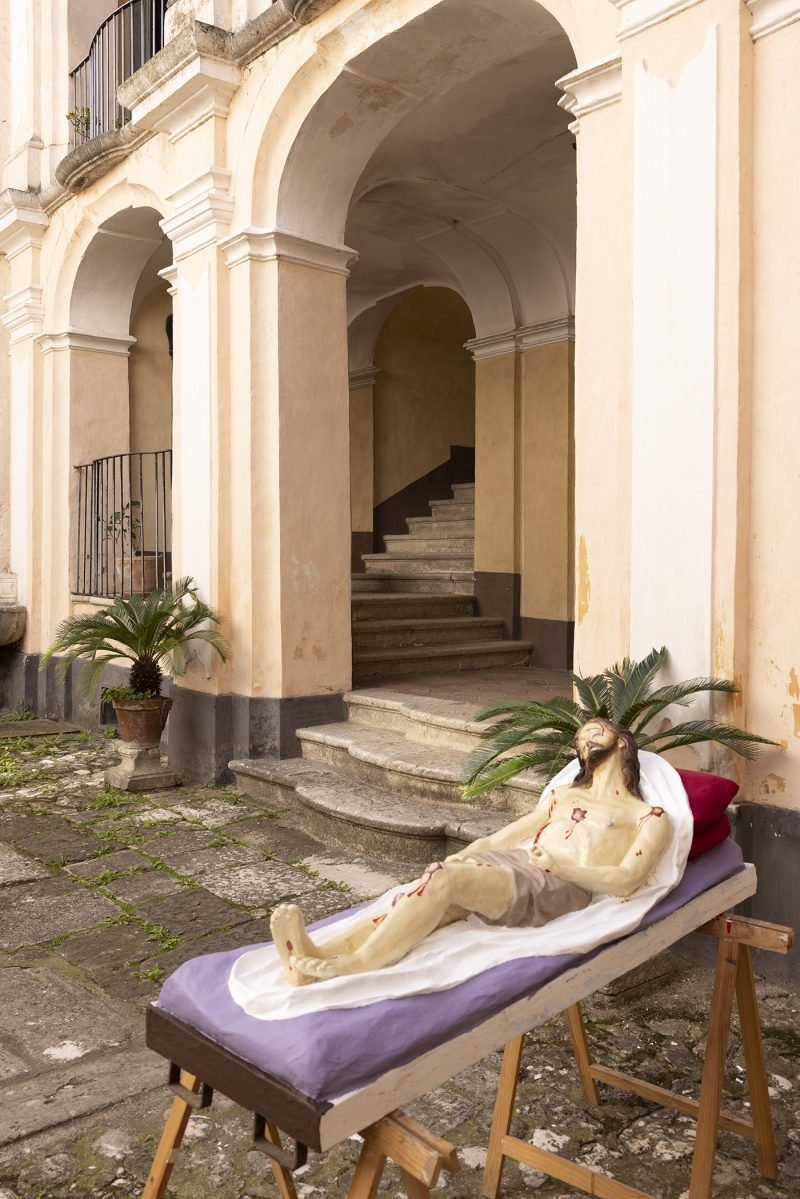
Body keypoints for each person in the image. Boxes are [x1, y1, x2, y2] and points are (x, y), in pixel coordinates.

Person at [270, 718, 672, 986]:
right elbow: (506, 836)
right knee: (431, 892)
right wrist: (467, 854)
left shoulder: (646, 816)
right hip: (519, 865)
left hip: (557, 885)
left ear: (622, 741)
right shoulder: (563, 795)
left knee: (445, 882)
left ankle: (360, 963)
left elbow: (626, 880)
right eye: (580, 738)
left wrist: (563, 867)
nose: (585, 739)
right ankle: (318, 956)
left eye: (595, 731)